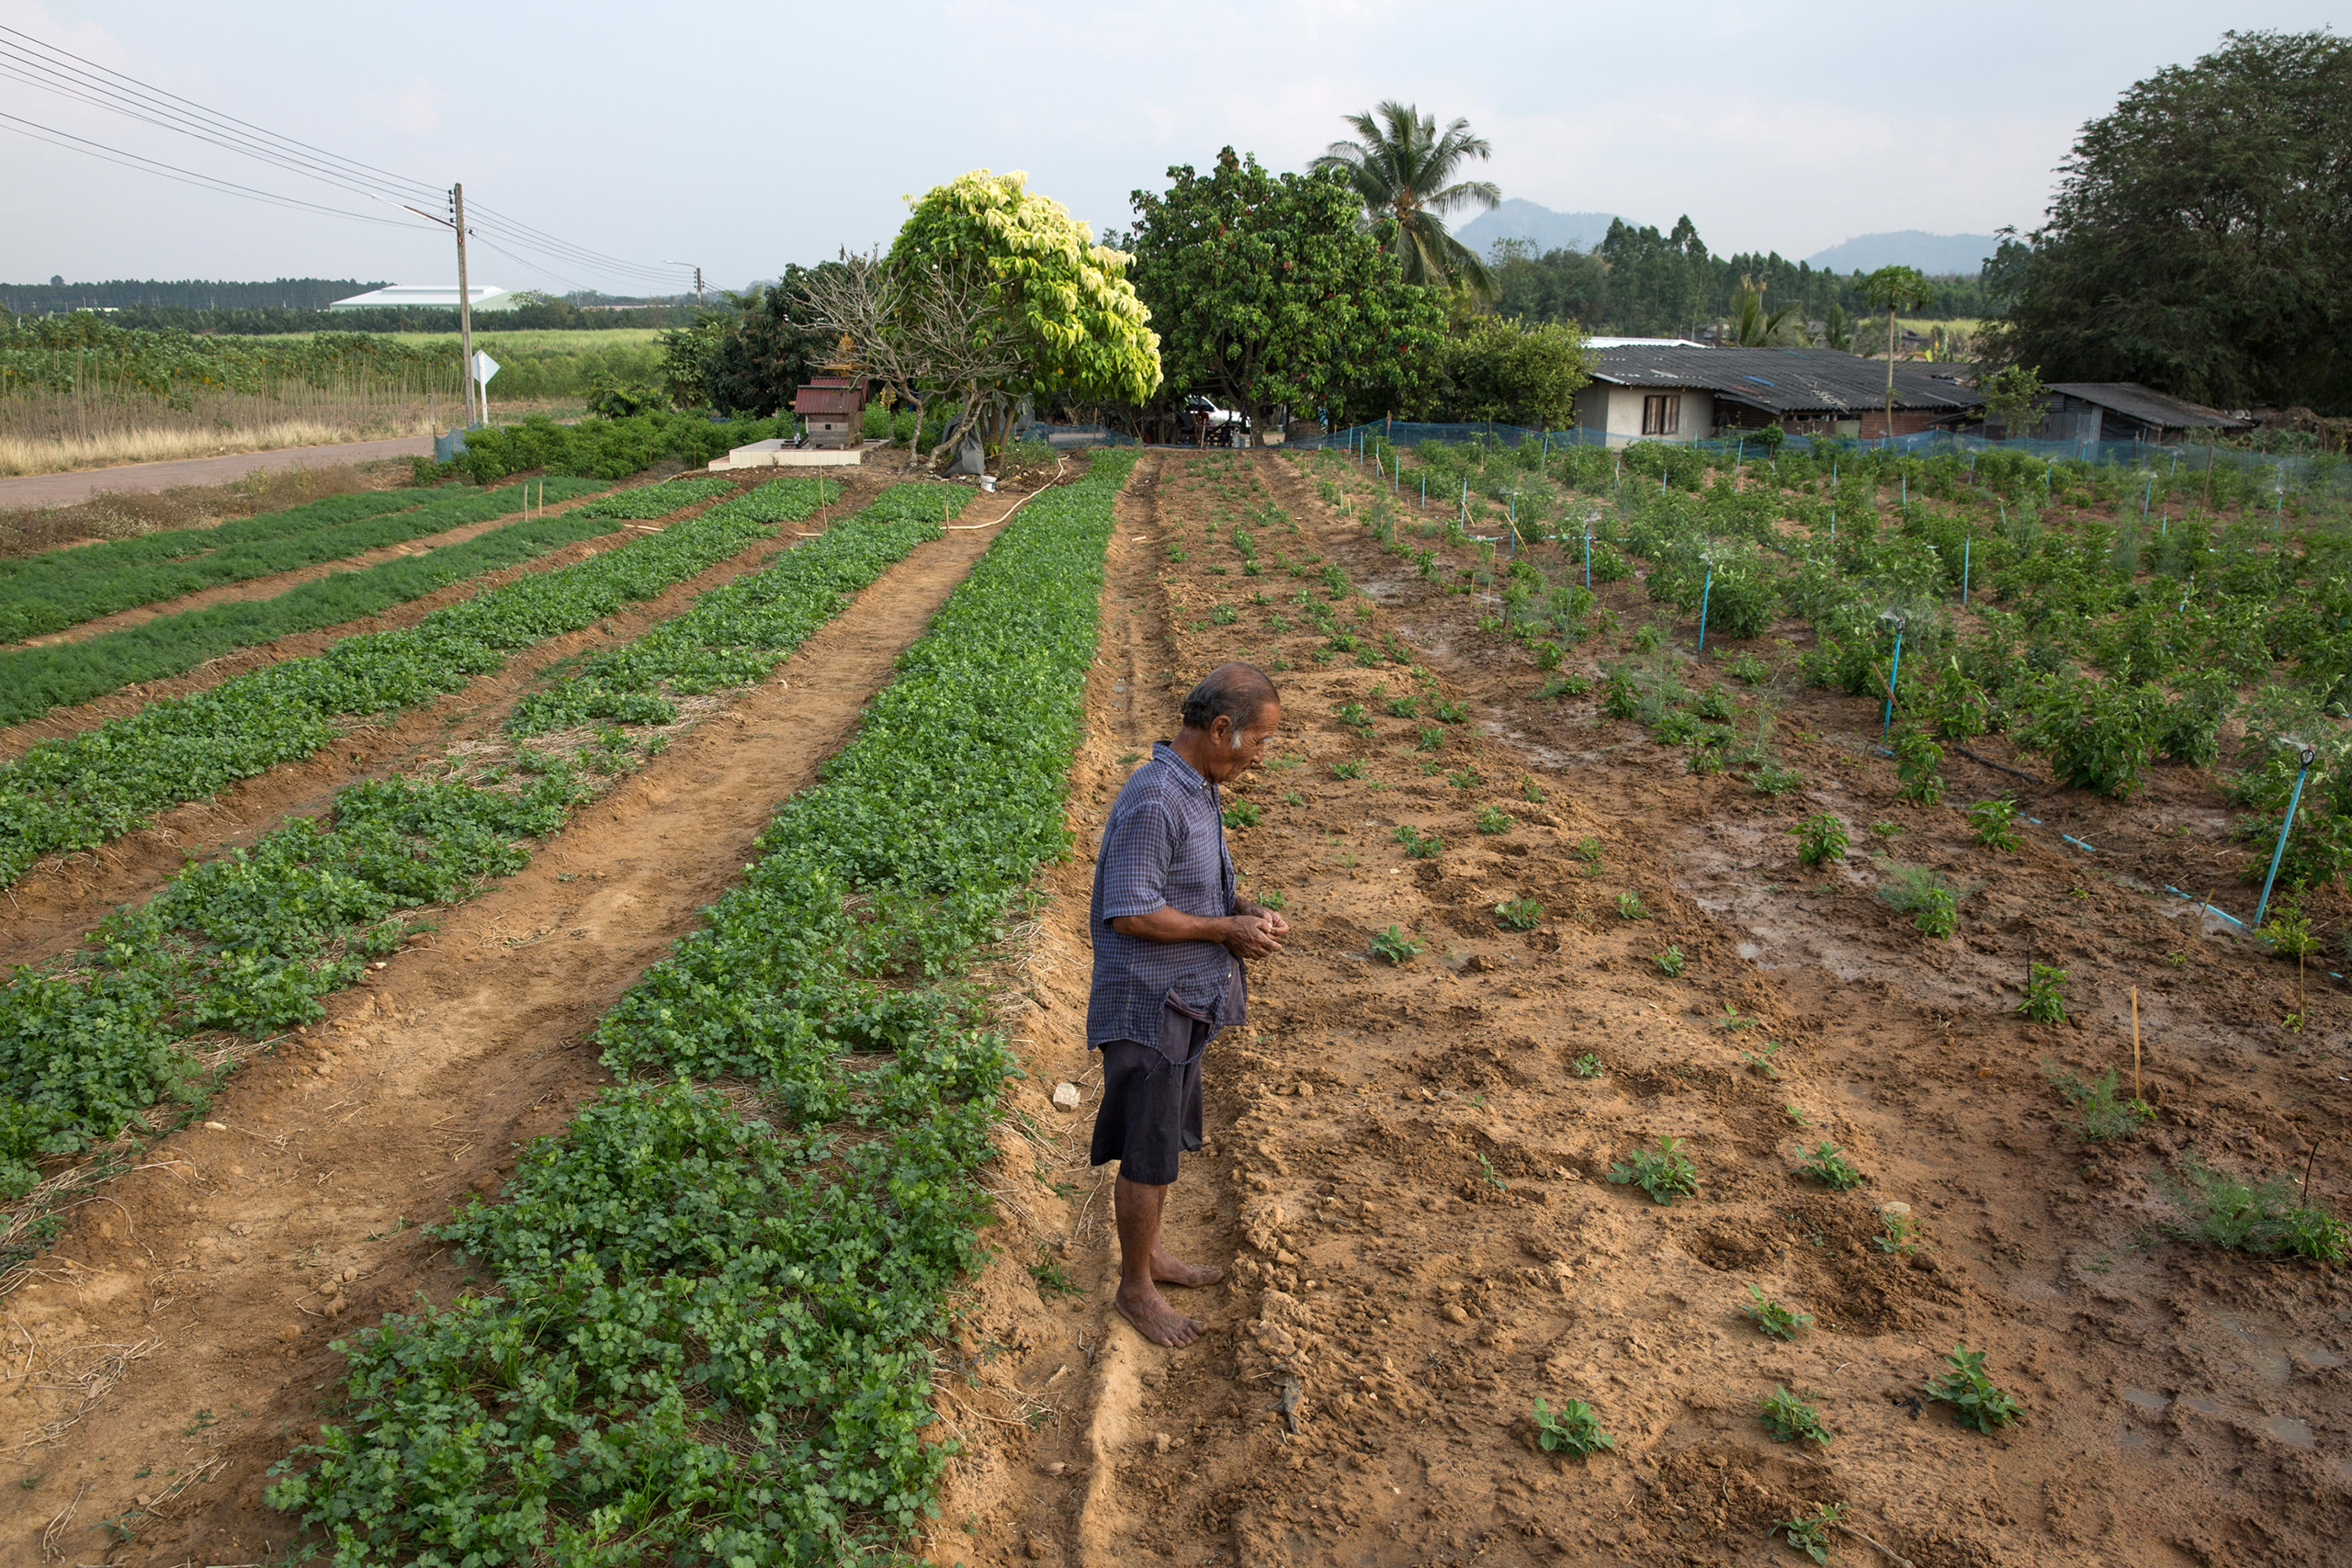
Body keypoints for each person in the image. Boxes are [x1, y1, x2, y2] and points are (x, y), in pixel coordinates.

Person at [1086, 662, 1287, 1347]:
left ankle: (1152, 1256)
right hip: (1149, 1003)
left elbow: (1190, 879)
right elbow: (1132, 912)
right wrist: (1222, 930)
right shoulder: (1155, 800)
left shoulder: (1197, 785)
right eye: (1259, 741)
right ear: (1221, 729)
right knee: (1147, 1152)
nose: (1262, 756)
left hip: (1181, 996)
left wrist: (1241, 907)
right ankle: (1135, 1289)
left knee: (1163, 1141)